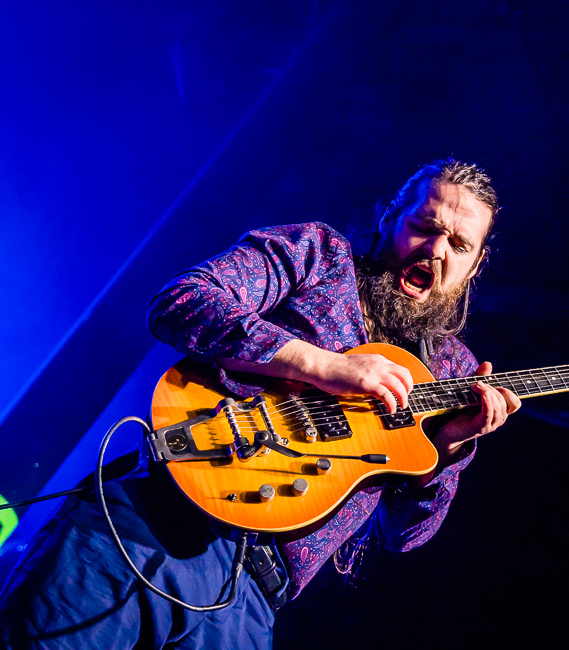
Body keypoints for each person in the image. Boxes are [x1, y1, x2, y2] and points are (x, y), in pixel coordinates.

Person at [0, 158, 520, 648]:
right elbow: (182, 300)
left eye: (459, 243)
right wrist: (323, 365)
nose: (436, 250)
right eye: (425, 226)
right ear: (390, 217)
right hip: (154, 518)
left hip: (248, 602)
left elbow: (405, 535)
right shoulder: (318, 255)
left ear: (475, 264)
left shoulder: (451, 369)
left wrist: (448, 450)